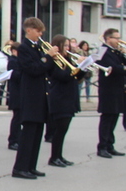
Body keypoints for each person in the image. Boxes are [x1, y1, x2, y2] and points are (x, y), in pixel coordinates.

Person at [11, 18, 55, 178]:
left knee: (37, 134)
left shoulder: (37, 48)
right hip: (30, 97)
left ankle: (30, 166)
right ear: (29, 30)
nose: (41, 34)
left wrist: (51, 60)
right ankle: (20, 168)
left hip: (40, 96)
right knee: (28, 135)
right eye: (38, 31)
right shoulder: (24, 48)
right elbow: (33, 69)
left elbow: (44, 70)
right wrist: (47, 58)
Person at [96, 29, 126, 158]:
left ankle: (110, 145)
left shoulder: (114, 51)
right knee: (107, 119)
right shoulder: (103, 51)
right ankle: (102, 147)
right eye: (116, 38)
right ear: (108, 38)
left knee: (114, 118)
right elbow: (113, 68)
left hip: (117, 89)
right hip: (108, 90)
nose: (119, 40)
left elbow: (124, 63)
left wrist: (125, 54)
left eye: (119, 37)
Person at [47, 35, 85, 167]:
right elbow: (62, 76)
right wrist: (77, 66)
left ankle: (59, 156)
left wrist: (83, 67)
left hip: (69, 97)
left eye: (69, 45)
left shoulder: (68, 59)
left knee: (64, 130)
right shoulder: (54, 60)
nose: (68, 48)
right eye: (66, 45)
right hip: (59, 98)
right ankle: (54, 157)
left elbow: (77, 76)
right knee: (59, 129)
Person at [6, 43, 22, 150]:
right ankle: (13, 140)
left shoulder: (18, 61)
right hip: (16, 93)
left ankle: (18, 138)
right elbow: (15, 75)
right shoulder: (13, 61)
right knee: (17, 118)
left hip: (20, 93)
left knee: (19, 118)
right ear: (14, 51)